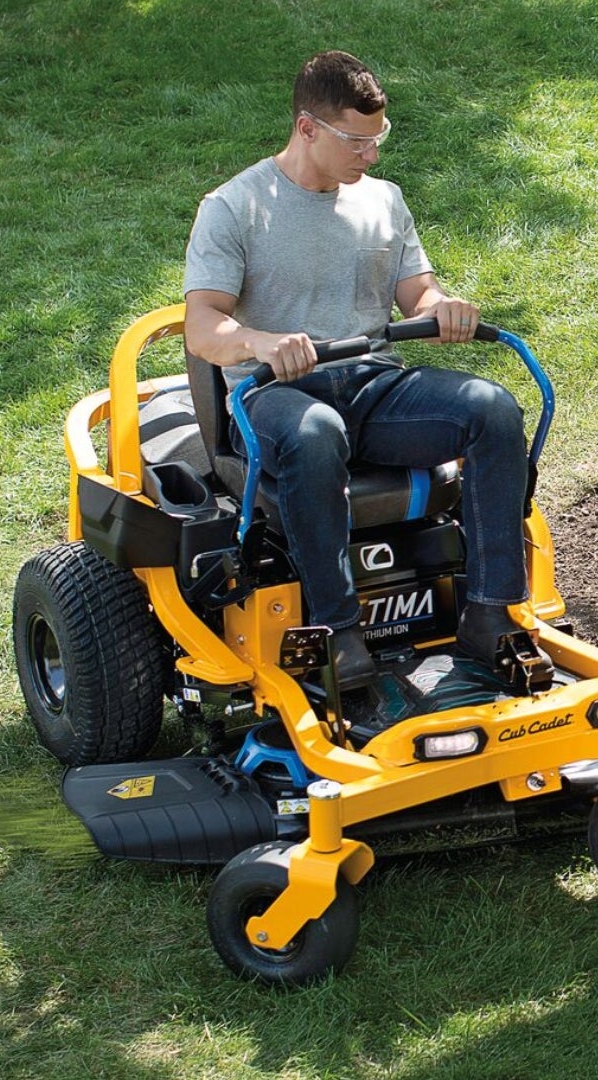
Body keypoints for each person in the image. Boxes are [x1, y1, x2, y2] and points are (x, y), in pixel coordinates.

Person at [182, 50, 531, 689]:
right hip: (274, 394)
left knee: (493, 410)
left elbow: (417, 295)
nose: (371, 155)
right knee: (317, 434)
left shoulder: (384, 201)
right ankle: (338, 631)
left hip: (372, 387)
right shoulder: (234, 207)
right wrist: (262, 343)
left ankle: (488, 611)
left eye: (379, 140)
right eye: (357, 141)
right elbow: (204, 325)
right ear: (307, 128)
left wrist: (442, 308)